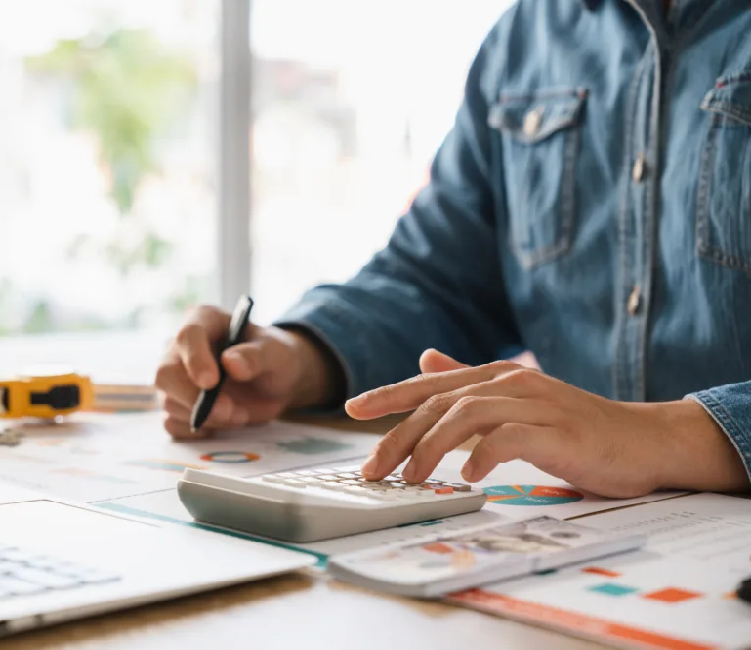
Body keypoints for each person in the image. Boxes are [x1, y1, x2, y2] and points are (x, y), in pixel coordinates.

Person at [155, 0, 751, 499]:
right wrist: (297, 358)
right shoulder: (528, 35)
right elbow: (441, 281)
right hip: (591, 532)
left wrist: (662, 436)